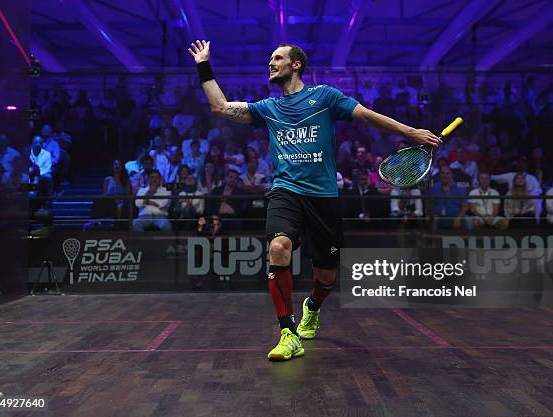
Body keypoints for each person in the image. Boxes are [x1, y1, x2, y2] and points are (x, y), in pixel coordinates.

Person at [188, 39, 440, 361]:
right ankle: (287, 333)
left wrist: (410, 132)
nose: (271, 63)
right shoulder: (268, 109)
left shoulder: (325, 97)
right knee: (279, 247)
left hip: (323, 197)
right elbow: (220, 106)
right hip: (285, 190)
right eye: (270, 58)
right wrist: (203, 65)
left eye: (277, 58)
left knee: (327, 275)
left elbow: (367, 116)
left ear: (296, 65)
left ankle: (313, 307)